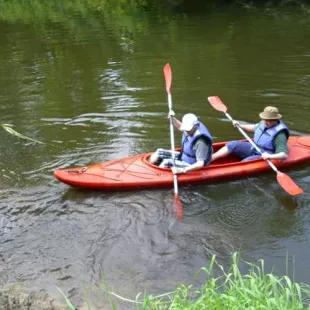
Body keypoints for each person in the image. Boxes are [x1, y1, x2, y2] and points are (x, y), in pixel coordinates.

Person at [211, 106, 289, 163]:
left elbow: (284, 155)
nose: (265, 122)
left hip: (265, 154)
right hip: (254, 147)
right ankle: (211, 158)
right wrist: (240, 125)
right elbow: (253, 128)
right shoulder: (264, 123)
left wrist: (269, 156)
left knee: (245, 162)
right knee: (232, 144)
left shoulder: (280, 135)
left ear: (275, 120)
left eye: (268, 120)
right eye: (264, 119)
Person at [148, 111, 213, 174]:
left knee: (165, 163)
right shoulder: (190, 129)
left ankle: (157, 177)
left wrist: (182, 170)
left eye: (188, 129)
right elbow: (180, 126)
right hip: (183, 157)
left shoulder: (201, 142)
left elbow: (200, 164)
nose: (186, 131)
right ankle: (148, 170)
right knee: (158, 153)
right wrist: (172, 118)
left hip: (191, 164)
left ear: (195, 126)